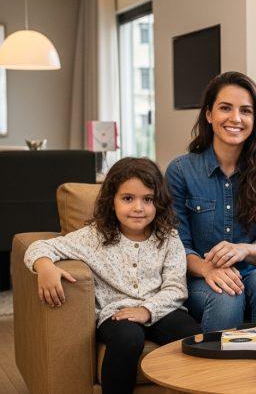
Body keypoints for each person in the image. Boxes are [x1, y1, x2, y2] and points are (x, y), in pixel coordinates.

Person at [24, 157, 200, 394]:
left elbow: (176, 288)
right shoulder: (94, 237)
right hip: (116, 314)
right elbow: (40, 247)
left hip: (161, 309)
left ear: (158, 202)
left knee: (192, 335)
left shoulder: (168, 237)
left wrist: (146, 310)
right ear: (112, 201)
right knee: (128, 339)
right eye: (128, 198)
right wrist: (45, 267)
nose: (138, 208)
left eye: (148, 199)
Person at [166, 71, 256, 332]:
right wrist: (207, 269)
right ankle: (216, 362)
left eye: (246, 111)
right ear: (209, 115)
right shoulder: (180, 171)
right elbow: (176, 246)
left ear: (255, 119)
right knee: (226, 295)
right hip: (200, 278)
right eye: (225, 108)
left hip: (254, 272)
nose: (236, 118)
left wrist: (244, 250)